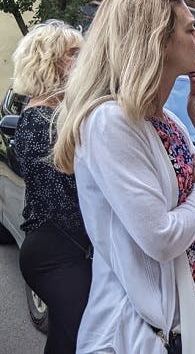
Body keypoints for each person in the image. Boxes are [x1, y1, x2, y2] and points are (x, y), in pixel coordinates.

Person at [53, 0, 195, 353]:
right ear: (158, 37)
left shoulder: (166, 121)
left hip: (192, 314)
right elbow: (160, 238)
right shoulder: (111, 121)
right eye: (191, 29)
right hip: (138, 332)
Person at [12, 20, 88, 354]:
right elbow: (65, 201)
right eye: (74, 53)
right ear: (50, 60)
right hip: (56, 253)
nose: (83, 60)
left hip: (65, 249)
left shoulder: (59, 115)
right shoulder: (37, 120)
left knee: (70, 336)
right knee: (71, 339)